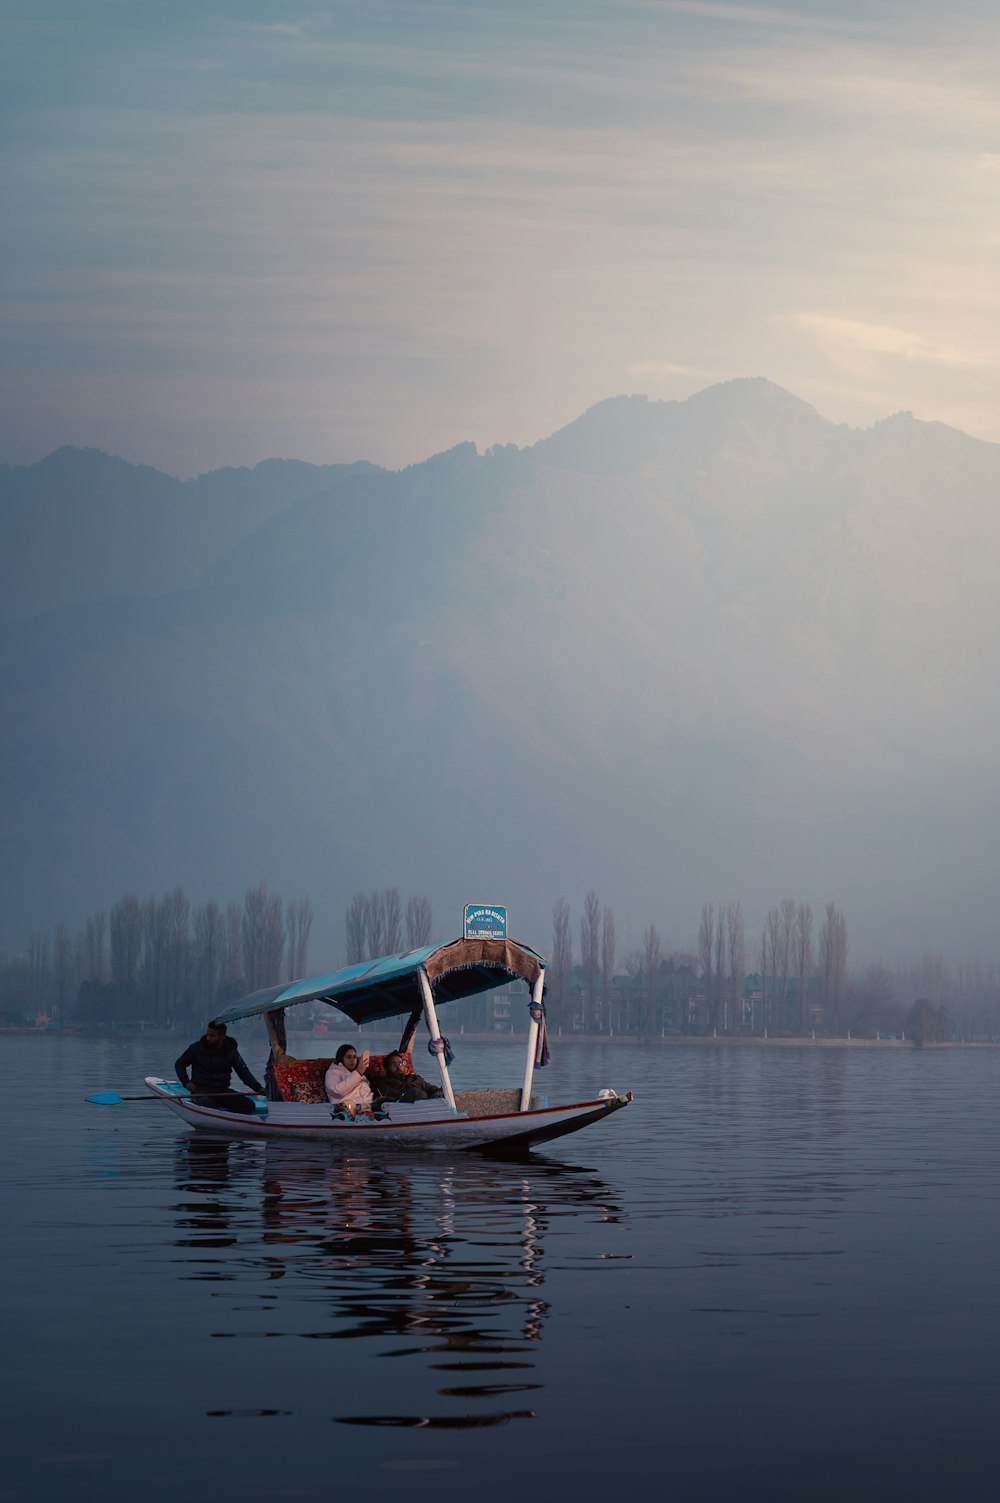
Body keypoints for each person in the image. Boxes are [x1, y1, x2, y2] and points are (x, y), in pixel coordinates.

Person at [175, 1020, 264, 1114]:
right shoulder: (196, 1048)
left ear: (222, 1036)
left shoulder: (231, 1050)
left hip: (223, 1091)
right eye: (208, 1034)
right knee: (206, 1104)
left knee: (248, 1105)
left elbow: (243, 1072)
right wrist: (186, 1082)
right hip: (201, 1091)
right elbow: (179, 1064)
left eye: (212, 1036)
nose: (208, 1038)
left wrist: (258, 1088)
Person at [371, 1050, 443, 1105]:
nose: (398, 1067)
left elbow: (432, 1089)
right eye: (394, 1064)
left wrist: (439, 1092)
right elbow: (391, 1095)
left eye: (401, 1063)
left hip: (425, 1102)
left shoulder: (415, 1078)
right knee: (415, 1092)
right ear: (386, 1068)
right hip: (401, 1105)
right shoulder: (382, 1081)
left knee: (447, 1092)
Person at [324, 1043, 375, 1112]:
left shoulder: (360, 1073)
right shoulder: (332, 1072)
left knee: (389, 1102)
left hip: (369, 1104)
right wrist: (358, 1073)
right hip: (348, 1107)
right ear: (341, 1058)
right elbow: (337, 1091)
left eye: (354, 1057)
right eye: (349, 1057)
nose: (352, 1060)